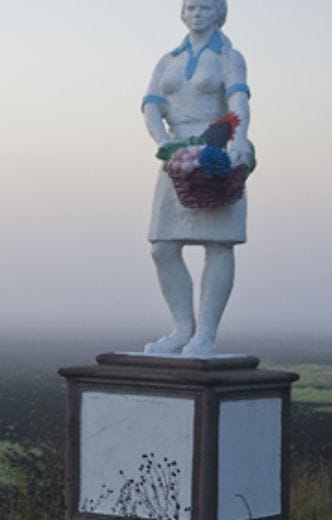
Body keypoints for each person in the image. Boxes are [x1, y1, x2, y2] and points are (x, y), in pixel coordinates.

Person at [141, 0, 252, 356]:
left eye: (205, 7)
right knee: (162, 247)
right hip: (177, 153)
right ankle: (181, 329)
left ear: (219, 13)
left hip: (215, 147)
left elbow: (238, 101)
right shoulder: (167, 60)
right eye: (191, 7)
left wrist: (239, 138)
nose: (197, 14)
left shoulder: (228, 57)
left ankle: (205, 333)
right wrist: (164, 143)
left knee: (218, 243)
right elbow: (151, 106)